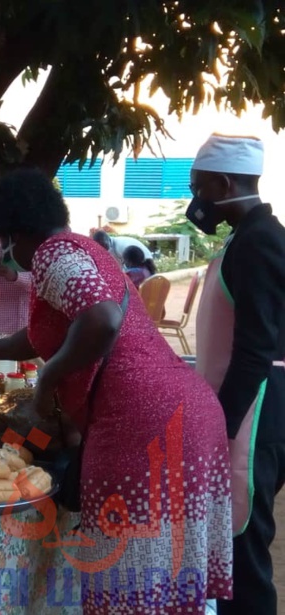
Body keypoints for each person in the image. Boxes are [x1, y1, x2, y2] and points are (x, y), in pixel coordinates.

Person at [0, 168, 232, 614]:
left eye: (3, 241)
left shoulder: (53, 254)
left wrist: (47, 381)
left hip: (142, 422)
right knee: (171, 566)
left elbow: (102, 319)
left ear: (15, 233)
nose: (5, 254)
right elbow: (45, 334)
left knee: (132, 567)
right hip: (189, 412)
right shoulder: (85, 250)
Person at [187, 134, 285, 615]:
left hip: (252, 417)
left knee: (243, 556)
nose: (196, 201)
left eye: (199, 188)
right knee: (228, 553)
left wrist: (216, 429)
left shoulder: (261, 242)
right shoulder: (247, 236)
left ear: (223, 183)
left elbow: (254, 351)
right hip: (244, 410)